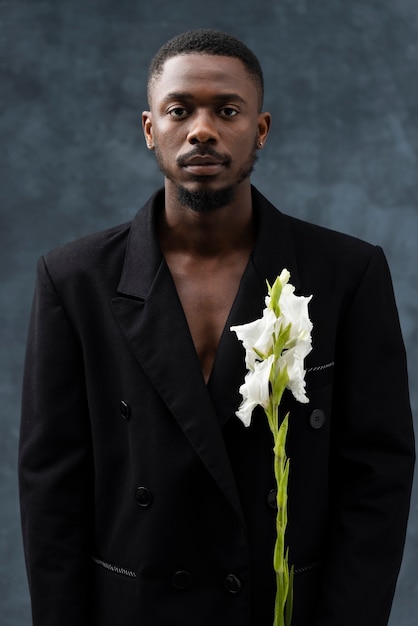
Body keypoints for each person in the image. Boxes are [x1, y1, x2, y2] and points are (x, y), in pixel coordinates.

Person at [19, 28, 415, 626]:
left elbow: (378, 475)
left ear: (260, 129)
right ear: (151, 129)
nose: (202, 129)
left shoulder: (347, 273)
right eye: (180, 110)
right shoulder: (74, 279)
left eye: (226, 110)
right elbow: (51, 486)